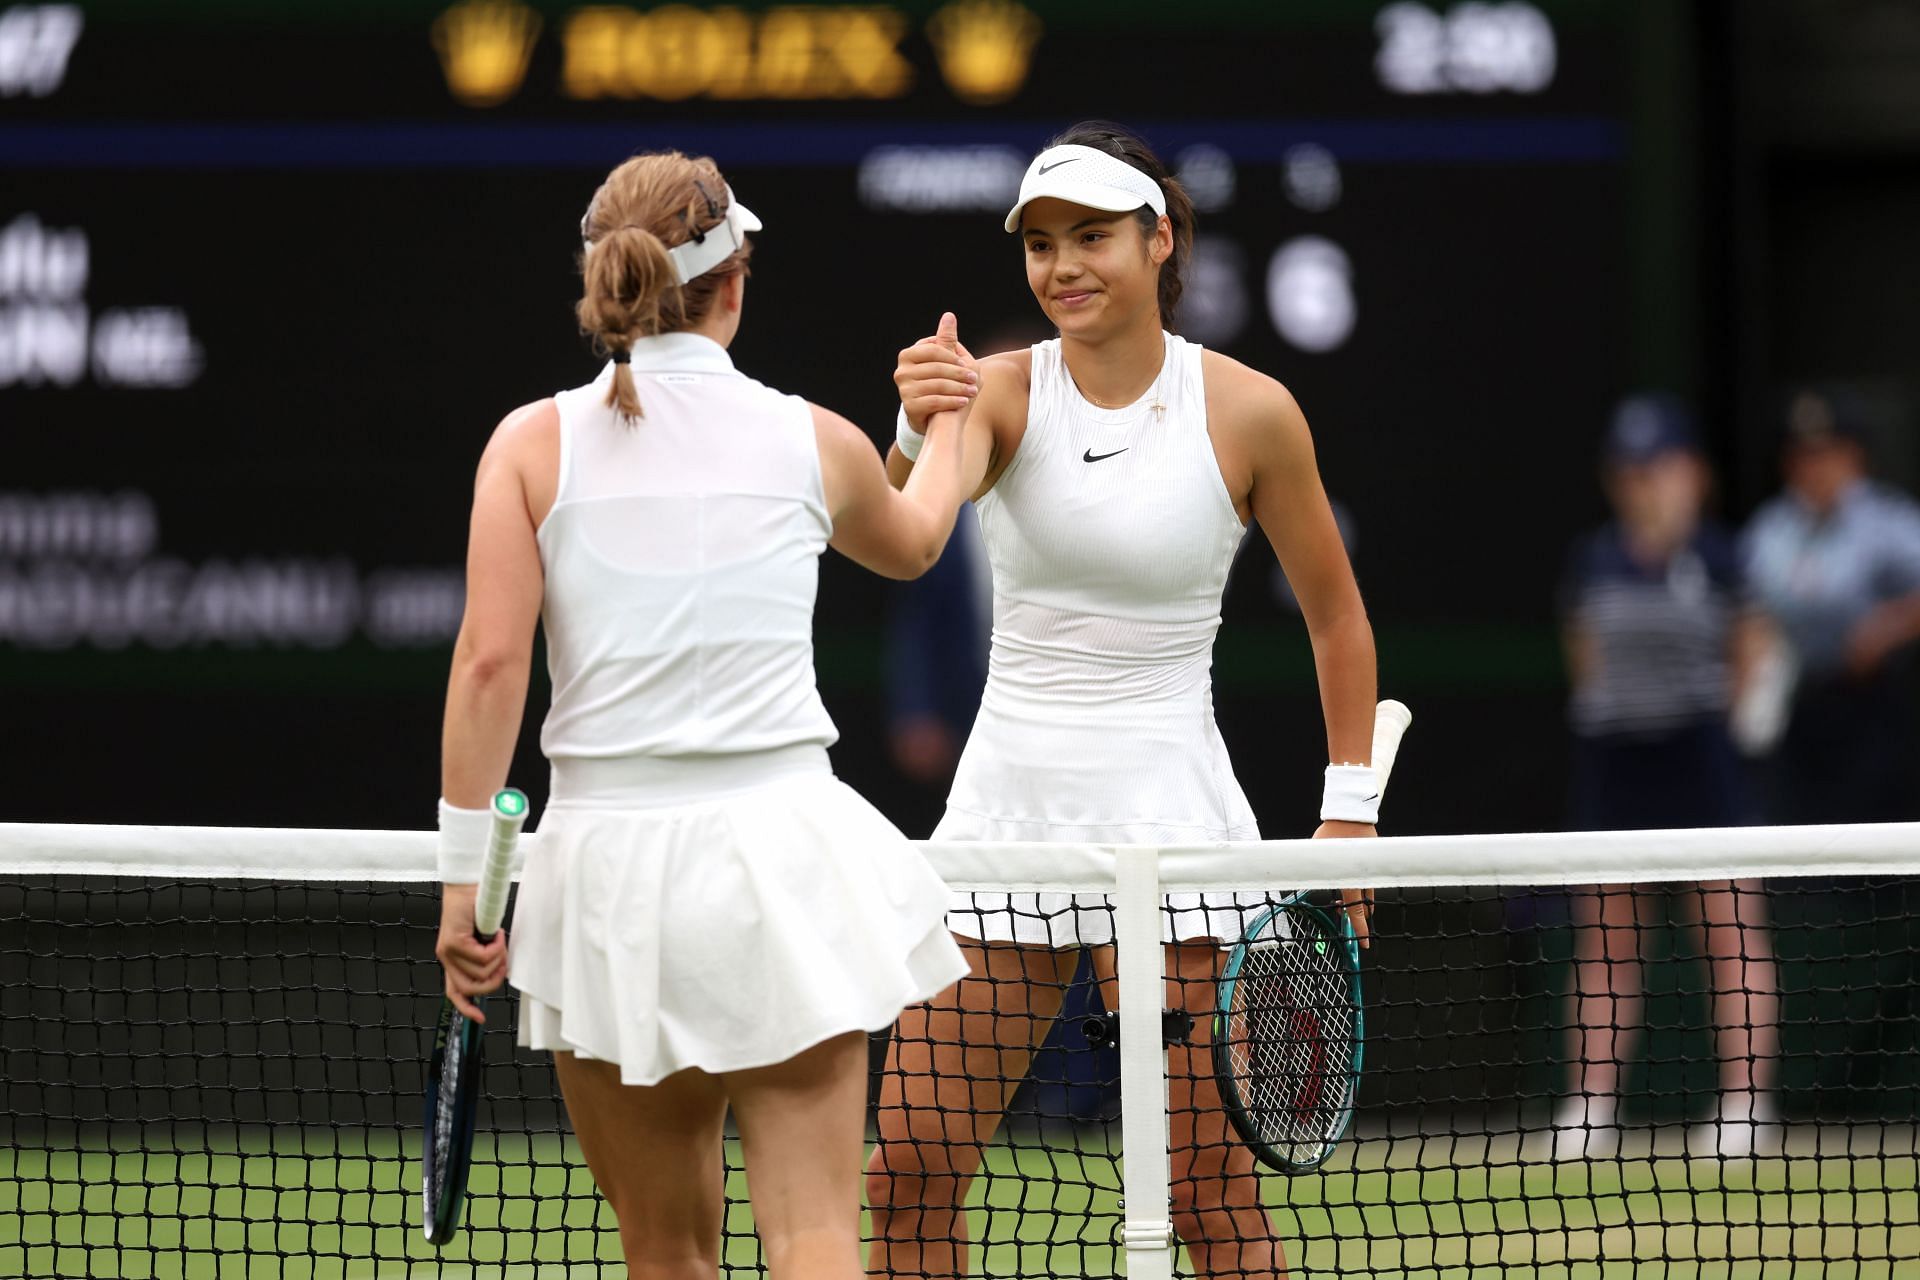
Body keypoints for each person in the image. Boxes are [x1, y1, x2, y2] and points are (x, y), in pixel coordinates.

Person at [432, 151, 976, 1279]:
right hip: (781, 866)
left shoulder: (527, 446)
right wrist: (946, 418)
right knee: (820, 1232)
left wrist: (462, 881)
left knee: (665, 1250)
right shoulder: (814, 439)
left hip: (609, 883)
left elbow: (491, 666)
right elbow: (917, 537)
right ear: (736, 282)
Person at [866, 121, 1381, 1280]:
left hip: (1176, 832)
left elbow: (1339, 620)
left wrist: (1347, 819)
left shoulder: (1251, 411)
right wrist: (908, 429)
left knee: (1210, 1201)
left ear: (1160, 240)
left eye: (1091, 236)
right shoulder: (993, 392)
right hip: (1003, 828)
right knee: (904, 1185)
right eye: (1041, 243)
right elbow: (901, 537)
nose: (1062, 266)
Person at [1551, 393, 1780, 1161]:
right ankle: (1590, 1109)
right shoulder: (1593, 560)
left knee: (1731, 937)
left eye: (1658, 466)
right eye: (1630, 468)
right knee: (1608, 947)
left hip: (1703, 768)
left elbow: (1750, 659)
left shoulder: (1724, 559)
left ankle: (1746, 1107)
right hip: (1617, 771)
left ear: (1692, 473)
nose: (1642, 482)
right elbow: (1585, 661)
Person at [1742, 388, 1920, 826]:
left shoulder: (1886, 521)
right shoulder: (1770, 528)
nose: (1816, 468)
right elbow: (1743, 607)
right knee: (1798, 849)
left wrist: (1886, 628)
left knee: (1877, 853)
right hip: (1795, 708)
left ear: (1855, 457)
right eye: (1804, 455)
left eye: (1828, 454)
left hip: (1871, 705)